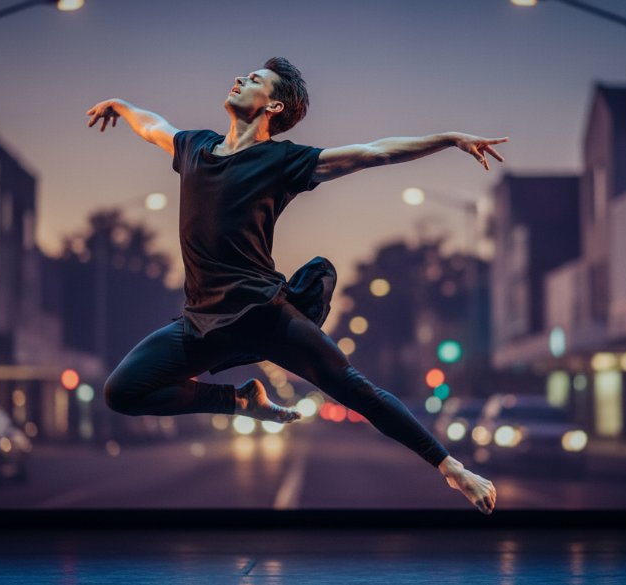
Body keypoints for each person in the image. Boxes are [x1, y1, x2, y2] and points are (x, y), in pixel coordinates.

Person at [87, 57, 504, 514]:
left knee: (352, 387)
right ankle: (240, 399)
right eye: (245, 74)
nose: (240, 78)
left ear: (274, 105)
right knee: (123, 391)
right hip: (202, 320)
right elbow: (153, 127)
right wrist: (122, 105)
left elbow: (375, 151)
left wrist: (450, 139)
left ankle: (454, 470)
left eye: (255, 80)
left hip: (265, 314)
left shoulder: (283, 161)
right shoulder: (194, 148)